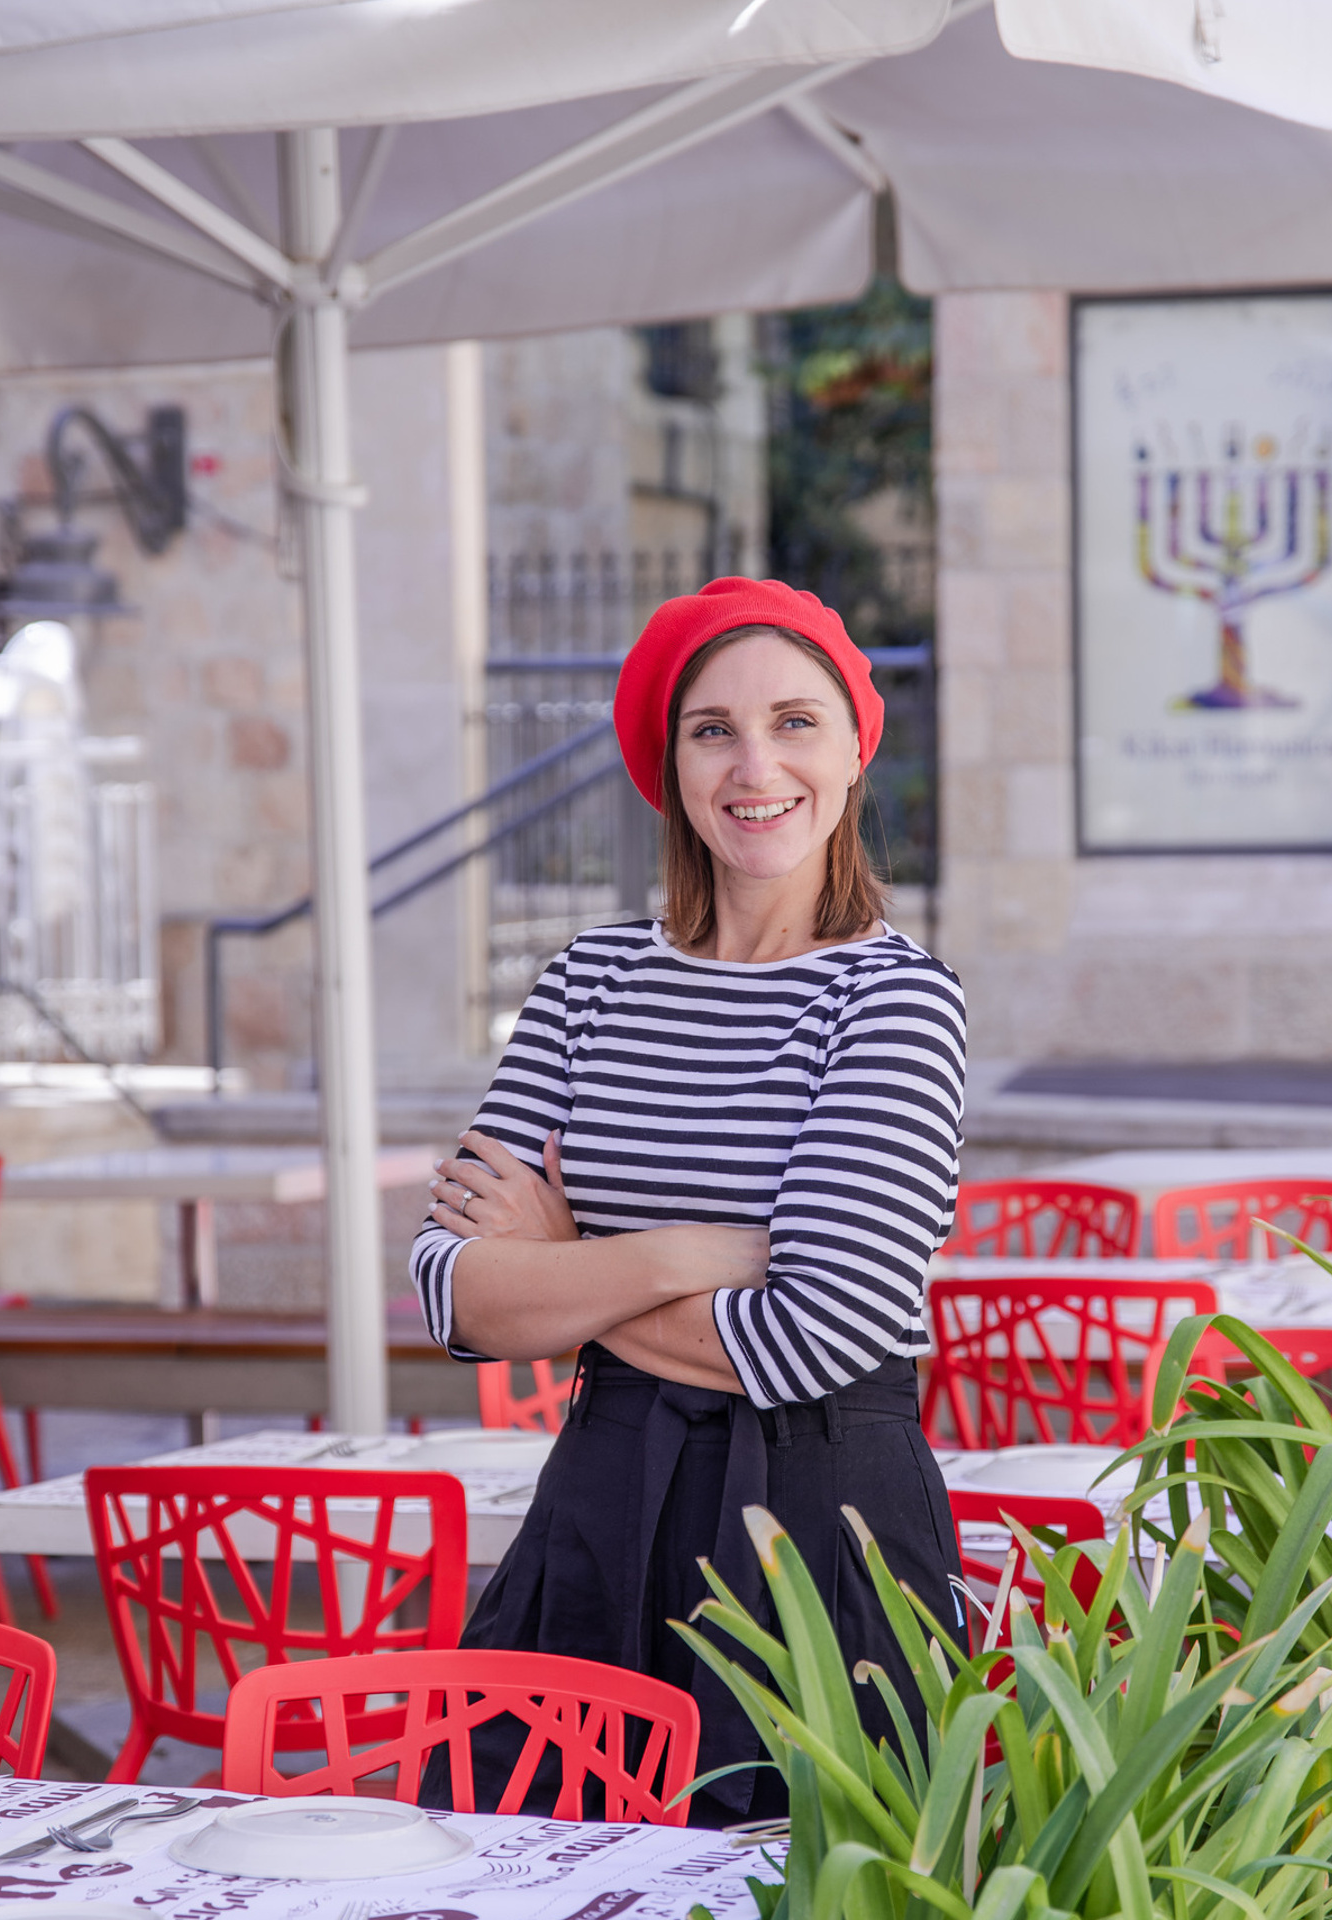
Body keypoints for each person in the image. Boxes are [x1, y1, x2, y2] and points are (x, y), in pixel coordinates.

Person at [409, 576, 965, 1826]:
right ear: (667, 763)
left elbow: (820, 1333)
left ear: (854, 750)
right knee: (525, 1864)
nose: (753, 763)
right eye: (712, 728)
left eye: (795, 722)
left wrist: (566, 1264)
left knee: (791, 1882)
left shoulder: (894, 1001)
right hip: (599, 1508)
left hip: (823, 1528)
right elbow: (453, 1290)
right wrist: (699, 1250)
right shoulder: (588, 978)